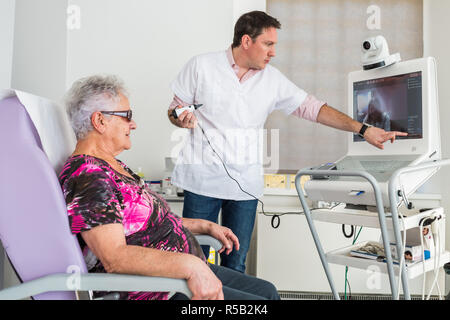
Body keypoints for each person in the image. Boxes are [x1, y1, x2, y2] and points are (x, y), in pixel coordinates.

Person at [167, 11, 407, 273]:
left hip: (244, 189)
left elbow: (313, 109)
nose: (273, 53)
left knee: (235, 265)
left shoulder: (272, 79)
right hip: (201, 183)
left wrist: (362, 128)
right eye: (268, 44)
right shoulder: (201, 66)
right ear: (246, 41)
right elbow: (175, 109)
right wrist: (180, 118)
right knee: (194, 262)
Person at [59, 75, 280, 300]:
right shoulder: (88, 176)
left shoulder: (112, 166)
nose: (133, 124)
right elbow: (115, 257)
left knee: (268, 292)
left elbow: (144, 223)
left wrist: (204, 226)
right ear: (100, 121)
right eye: (127, 116)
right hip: (156, 291)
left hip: (180, 273)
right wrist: (191, 266)